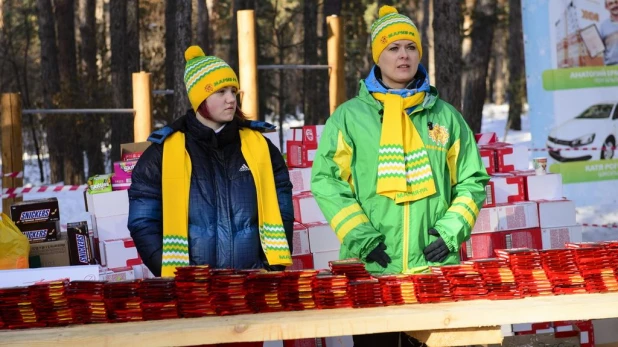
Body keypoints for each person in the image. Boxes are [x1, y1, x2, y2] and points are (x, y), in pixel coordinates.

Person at [310, 6, 489, 347]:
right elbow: (327, 181)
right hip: (372, 270)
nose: (403, 56)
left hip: (433, 271)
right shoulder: (348, 119)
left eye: (410, 47)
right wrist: (362, 237)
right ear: (378, 56)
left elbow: (472, 180)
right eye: (393, 48)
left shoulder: (445, 117)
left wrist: (450, 232)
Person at [128, 45, 294, 281]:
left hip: (254, 284)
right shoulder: (161, 154)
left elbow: (283, 211)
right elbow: (143, 222)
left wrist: (271, 270)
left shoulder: (261, 148)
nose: (230, 100)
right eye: (221, 92)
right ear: (200, 99)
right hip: (191, 290)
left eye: (233, 91)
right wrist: (174, 277)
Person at [600, 0, 618, 65]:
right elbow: (599, 48)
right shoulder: (603, 26)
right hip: (611, 69)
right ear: (606, 7)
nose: (615, 5)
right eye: (611, 4)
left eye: (616, 2)